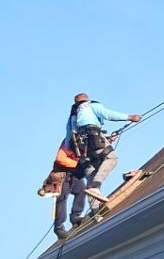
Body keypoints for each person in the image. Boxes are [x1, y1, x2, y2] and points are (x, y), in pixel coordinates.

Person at [55, 93, 142, 237]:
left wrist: (104, 140)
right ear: (86, 100)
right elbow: (109, 114)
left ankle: (96, 213)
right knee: (111, 159)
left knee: (91, 174)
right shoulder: (92, 106)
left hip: (82, 149)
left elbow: (69, 140)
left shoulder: (73, 117)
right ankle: (95, 187)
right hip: (94, 137)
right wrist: (131, 117)